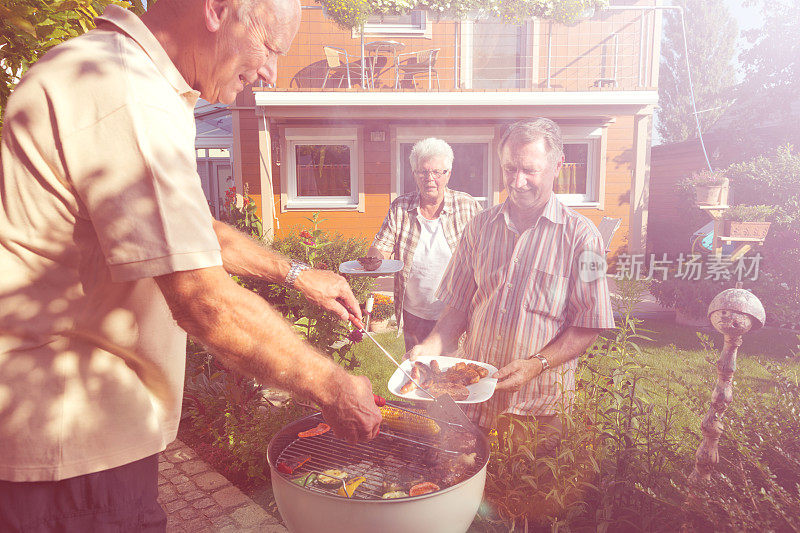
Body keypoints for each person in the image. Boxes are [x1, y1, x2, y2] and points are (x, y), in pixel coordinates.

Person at [0, 0, 381, 529]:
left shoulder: (114, 72)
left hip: (74, 440)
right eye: (271, 46)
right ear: (219, 10)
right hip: (73, 446)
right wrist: (335, 388)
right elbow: (203, 301)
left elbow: (188, 231)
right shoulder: (128, 95)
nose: (271, 70)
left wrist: (295, 275)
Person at [407, 119, 615, 442]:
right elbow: (458, 308)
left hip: (537, 411)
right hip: (473, 402)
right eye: (509, 169)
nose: (517, 182)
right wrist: (430, 347)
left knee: (523, 493)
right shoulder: (479, 227)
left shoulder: (584, 238)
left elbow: (591, 322)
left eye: (529, 171)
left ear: (557, 165)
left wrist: (538, 363)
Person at [368, 138, 481, 350]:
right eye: (423, 172)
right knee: (418, 374)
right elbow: (381, 246)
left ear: (448, 174)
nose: (430, 178)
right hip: (415, 316)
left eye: (437, 172)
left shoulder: (468, 206)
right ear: (414, 174)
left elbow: (487, 255)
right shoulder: (400, 207)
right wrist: (373, 259)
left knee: (453, 374)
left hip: (457, 314)